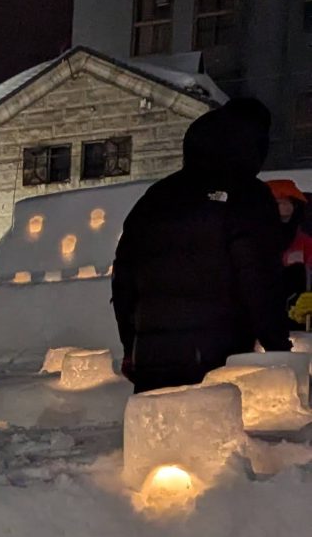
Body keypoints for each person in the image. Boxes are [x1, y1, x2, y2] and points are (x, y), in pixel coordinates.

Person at [111, 95, 290, 392]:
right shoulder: (249, 196)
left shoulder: (155, 197)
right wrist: (278, 348)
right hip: (221, 361)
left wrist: (132, 347)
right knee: (214, 422)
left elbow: (123, 282)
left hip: (152, 361)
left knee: (159, 423)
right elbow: (259, 277)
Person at [268, 177, 312, 328]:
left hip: (298, 320)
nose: (285, 206)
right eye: (278, 202)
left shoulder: (305, 243)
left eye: (289, 202)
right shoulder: (250, 243)